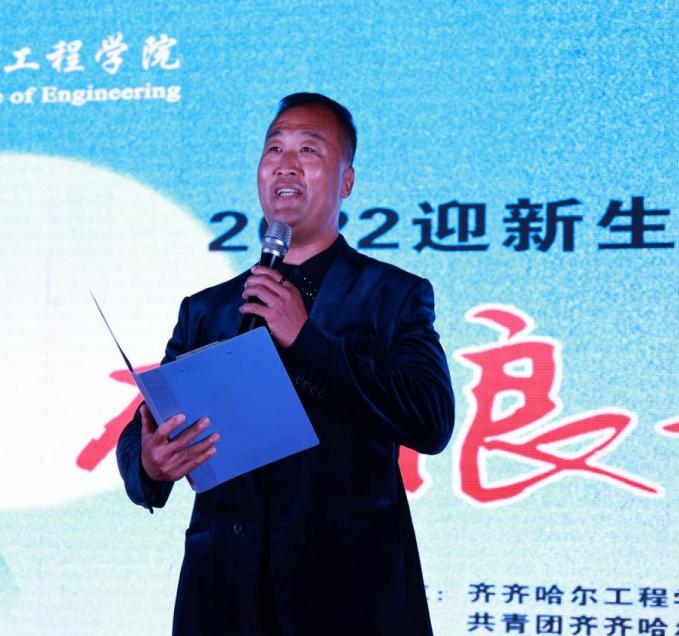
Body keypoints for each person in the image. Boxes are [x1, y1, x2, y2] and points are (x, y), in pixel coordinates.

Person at [116, 93, 454, 635]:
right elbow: (147, 426)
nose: (286, 164)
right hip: (223, 600)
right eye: (274, 149)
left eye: (309, 150)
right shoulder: (207, 309)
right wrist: (150, 465)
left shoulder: (392, 296)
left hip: (349, 600)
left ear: (346, 181)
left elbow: (430, 419)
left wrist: (307, 340)